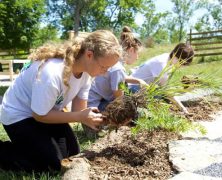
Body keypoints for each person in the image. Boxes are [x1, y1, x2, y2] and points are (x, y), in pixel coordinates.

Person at [0, 30, 122, 172]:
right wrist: (80, 116)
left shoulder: (86, 75)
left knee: (72, 155)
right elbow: (39, 115)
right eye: (104, 67)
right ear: (89, 55)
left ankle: (33, 147)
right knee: (52, 165)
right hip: (19, 116)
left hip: (46, 112)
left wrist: (104, 119)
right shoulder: (52, 72)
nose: (105, 72)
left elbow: (78, 112)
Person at [82, 26, 146, 137]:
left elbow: (121, 78)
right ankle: (107, 126)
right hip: (94, 109)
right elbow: (119, 100)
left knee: (131, 93)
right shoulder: (117, 68)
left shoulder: (114, 64)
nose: (137, 58)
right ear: (131, 50)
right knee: (131, 106)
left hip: (91, 104)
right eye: (137, 54)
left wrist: (138, 80)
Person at [129, 43, 194, 113]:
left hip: (141, 84)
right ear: (175, 56)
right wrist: (182, 108)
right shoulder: (162, 65)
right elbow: (167, 92)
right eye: (182, 63)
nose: (182, 66)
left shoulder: (167, 57)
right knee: (158, 98)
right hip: (132, 87)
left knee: (160, 96)